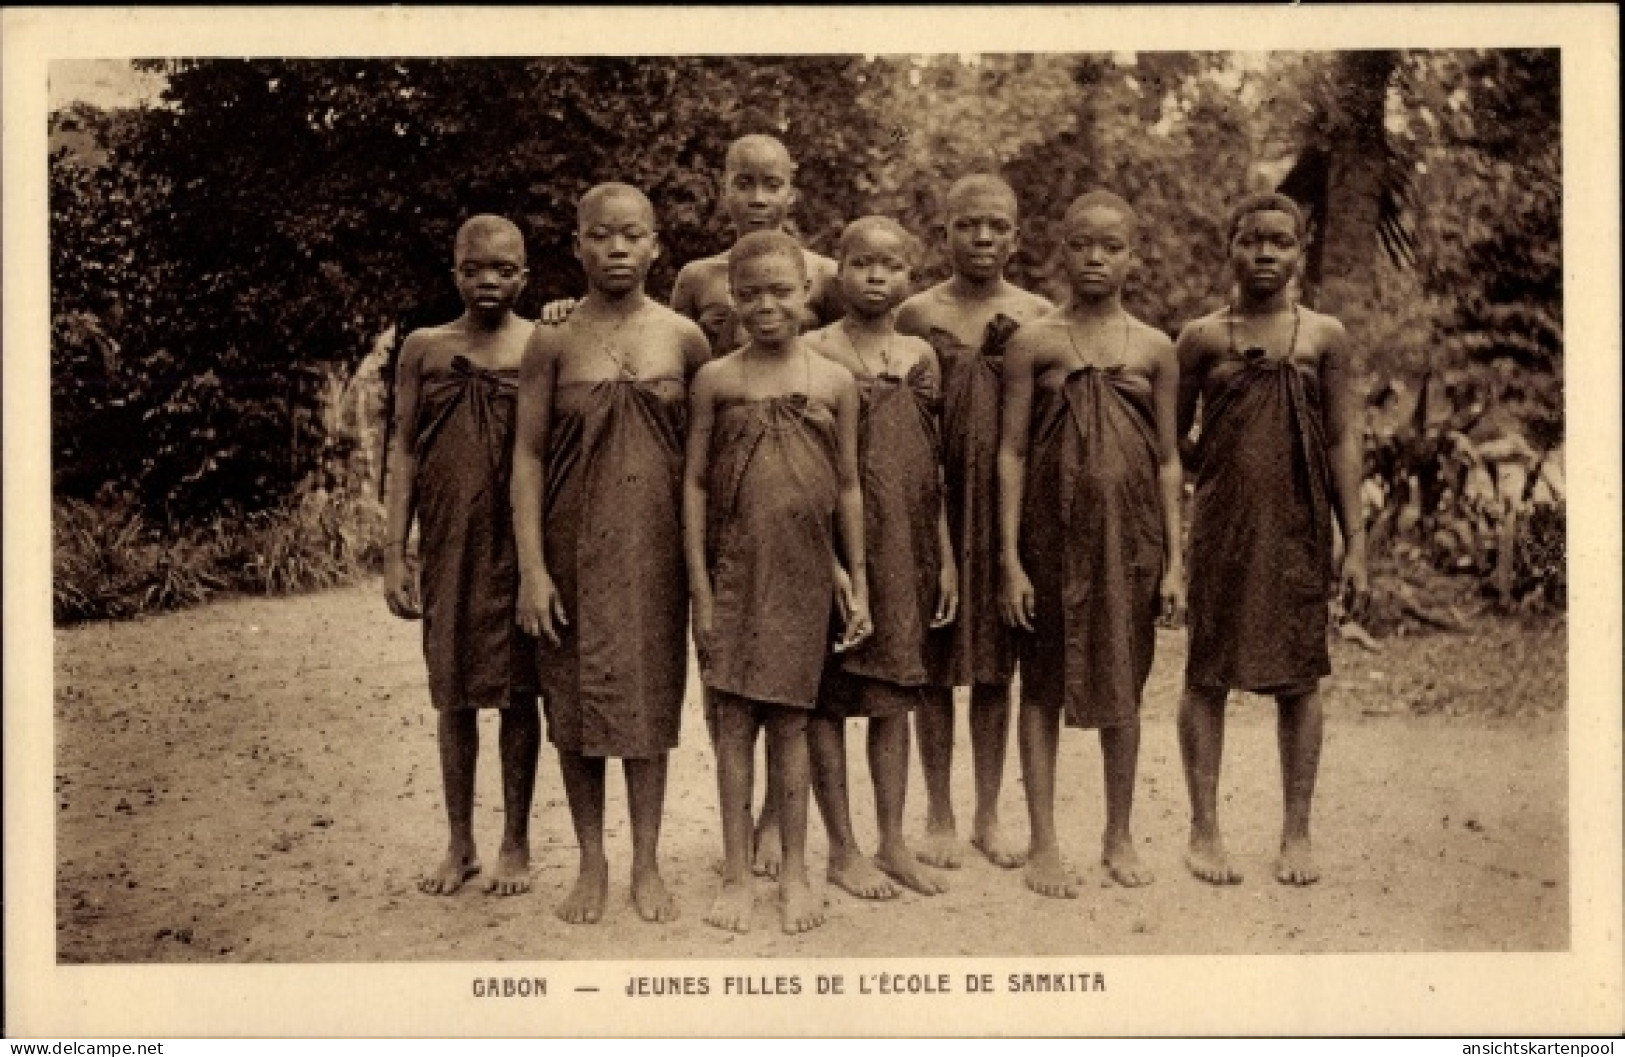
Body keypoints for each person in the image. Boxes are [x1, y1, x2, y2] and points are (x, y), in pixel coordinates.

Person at [511, 184, 711, 925]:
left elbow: (702, 463)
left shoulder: (684, 338)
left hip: (653, 549)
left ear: (657, 244)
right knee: (573, 702)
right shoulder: (551, 338)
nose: (618, 249)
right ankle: (591, 857)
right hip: (570, 549)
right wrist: (532, 568)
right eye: (601, 235)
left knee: (648, 702)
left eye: (632, 235)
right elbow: (527, 458)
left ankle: (647, 861)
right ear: (576, 245)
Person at [1174, 192, 1369, 887]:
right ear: (1229, 246)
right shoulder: (1199, 338)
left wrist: (1356, 541)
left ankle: (1296, 831)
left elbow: (1344, 438)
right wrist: (1225, 470)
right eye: (1250, 240)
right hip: (1222, 527)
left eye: (1278, 242)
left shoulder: (1323, 336)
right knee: (1207, 672)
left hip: (1299, 528)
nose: (1263, 253)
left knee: (1299, 676)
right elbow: (1170, 441)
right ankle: (1203, 829)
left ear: (1300, 250)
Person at [997, 191, 1184, 898]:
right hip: (1048, 538)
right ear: (1061, 250)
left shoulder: (1154, 348)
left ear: (1131, 256)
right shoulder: (1034, 342)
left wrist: (1175, 562)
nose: (1095, 258)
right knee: (1040, 684)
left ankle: (1118, 832)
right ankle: (1043, 840)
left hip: (1128, 542)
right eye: (1081, 245)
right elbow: (1010, 453)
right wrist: (1008, 559)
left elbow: (1169, 460)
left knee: (1124, 681)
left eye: (1110, 246)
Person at [684, 229, 871, 934]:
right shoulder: (717, 380)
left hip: (803, 576)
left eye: (781, 292)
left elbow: (848, 486)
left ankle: (794, 871)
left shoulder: (832, 381)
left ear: (807, 294)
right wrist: (701, 587)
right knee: (733, 727)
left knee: (792, 726)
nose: (767, 306)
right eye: (751, 293)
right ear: (732, 298)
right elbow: (695, 485)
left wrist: (856, 577)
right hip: (733, 574)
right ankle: (735, 875)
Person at [895, 174, 1054, 870]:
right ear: (945, 233)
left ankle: (988, 813)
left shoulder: (1041, 314)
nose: (983, 238)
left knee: (996, 665)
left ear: (1015, 236)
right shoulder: (910, 314)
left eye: (996, 226)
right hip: (932, 501)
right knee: (932, 662)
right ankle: (937, 810)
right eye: (968, 225)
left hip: (1009, 508)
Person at [382, 214, 542, 898]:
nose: (488, 281)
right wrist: (395, 550)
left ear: (524, 277)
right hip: (449, 541)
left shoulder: (541, 344)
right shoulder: (424, 346)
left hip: (518, 544)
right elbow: (405, 448)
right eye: (474, 268)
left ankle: (515, 841)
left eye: (504, 270)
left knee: (516, 694)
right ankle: (460, 840)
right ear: (453, 272)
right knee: (452, 695)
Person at [804, 217, 954, 900]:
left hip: (906, 545)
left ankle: (893, 840)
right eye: (860, 262)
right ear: (836, 268)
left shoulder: (921, 355)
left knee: (896, 695)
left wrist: (945, 558)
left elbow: (935, 471)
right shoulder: (812, 350)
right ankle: (841, 847)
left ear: (909, 276)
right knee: (827, 698)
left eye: (889, 265)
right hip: (829, 544)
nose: (874, 276)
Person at [671, 133, 843, 355]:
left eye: (772, 185)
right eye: (744, 185)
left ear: (790, 195)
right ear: (725, 192)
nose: (758, 199)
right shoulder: (696, 277)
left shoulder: (824, 274)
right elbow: (681, 362)